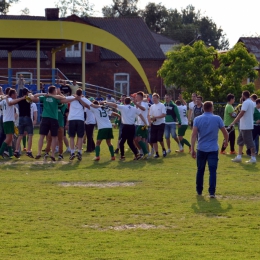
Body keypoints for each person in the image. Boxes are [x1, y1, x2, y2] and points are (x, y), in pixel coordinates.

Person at [191, 101, 228, 198]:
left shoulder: (197, 119)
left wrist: (192, 149)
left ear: (203, 108)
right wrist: (226, 141)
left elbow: (194, 135)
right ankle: (212, 192)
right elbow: (225, 132)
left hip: (201, 148)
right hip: (213, 148)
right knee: (212, 171)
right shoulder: (217, 118)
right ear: (212, 108)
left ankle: (199, 190)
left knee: (200, 170)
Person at [30, 85, 65, 161]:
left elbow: (34, 96)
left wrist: (45, 94)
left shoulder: (46, 97)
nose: (56, 92)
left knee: (42, 136)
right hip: (53, 119)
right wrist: (46, 94)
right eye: (55, 90)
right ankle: (52, 154)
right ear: (53, 91)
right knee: (54, 137)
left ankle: (39, 153)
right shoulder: (54, 98)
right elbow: (63, 98)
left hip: (45, 118)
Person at [230, 91, 256, 163]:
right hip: (245, 125)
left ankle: (253, 157)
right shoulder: (251, 102)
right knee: (240, 141)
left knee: (249, 142)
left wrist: (234, 122)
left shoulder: (246, 103)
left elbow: (241, 113)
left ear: (244, 95)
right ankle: (239, 156)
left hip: (246, 126)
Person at [0, 88, 25, 159]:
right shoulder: (9, 100)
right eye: (16, 93)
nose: (17, 94)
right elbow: (11, 103)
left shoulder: (4, 100)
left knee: (10, 138)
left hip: (6, 120)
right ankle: (0, 151)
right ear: (13, 94)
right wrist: (22, 98)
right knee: (9, 138)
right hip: (9, 121)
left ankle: (10, 154)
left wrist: (3, 98)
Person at [10, 88, 35, 159]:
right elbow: (32, 99)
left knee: (20, 135)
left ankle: (16, 150)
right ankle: (29, 150)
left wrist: (21, 98)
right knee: (30, 135)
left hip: (21, 118)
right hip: (27, 117)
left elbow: (15, 101)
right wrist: (30, 94)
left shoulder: (19, 99)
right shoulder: (28, 98)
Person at [149, 93, 167, 158]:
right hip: (154, 124)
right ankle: (156, 153)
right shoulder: (152, 106)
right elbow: (150, 115)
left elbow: (164, 114)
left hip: (161, 123)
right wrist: (151, 119)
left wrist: (156, 117)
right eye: (153, 98)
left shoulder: (162, 105)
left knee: (160, 138)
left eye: (155, 98)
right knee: (153, 139)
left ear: (158, 98)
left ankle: (163, 149)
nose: (154, 99)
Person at [133, 91, 149, 157]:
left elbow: (144, 109)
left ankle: (145, 152)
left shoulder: (143, 103)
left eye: (137, 96)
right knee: (142, 139)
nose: (136, 97)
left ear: (140, 97)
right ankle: (144, 153)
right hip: (139, 123)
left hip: (143, 124)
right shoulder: (138, 103)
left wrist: (136, 104)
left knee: (138, 139)